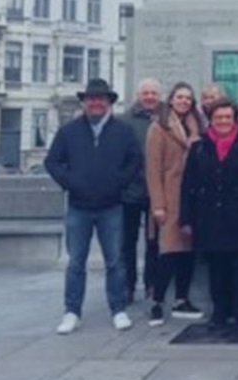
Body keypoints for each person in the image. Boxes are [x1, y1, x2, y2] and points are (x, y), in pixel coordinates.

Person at [44, 79, 142, 335]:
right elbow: (52, 162)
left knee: (115, 261)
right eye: (91, 99)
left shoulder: (122, 131)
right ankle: (72, 311)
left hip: (111, 206)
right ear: (84, 102)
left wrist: (119, 183)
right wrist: (70, 182)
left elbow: (135, 161)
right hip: (79, 206)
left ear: (109, 102)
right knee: (76, 262)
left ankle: (118, 309)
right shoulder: (69, 131)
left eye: (101, 99)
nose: (96, 103)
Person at [179, 97, 238, 327]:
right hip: (209, 217)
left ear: (235, 119)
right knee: (216, 267)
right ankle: (220, 311)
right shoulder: (199, 147)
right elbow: (188, 185)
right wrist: (186, 219)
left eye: (228, 117)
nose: (223, 121)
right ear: (211, 119)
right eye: (218, 117)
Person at [144, 82, 205, 327]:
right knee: (168, 251)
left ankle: (182, 299)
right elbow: (153, 169)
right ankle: (157, 301)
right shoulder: (159, 127)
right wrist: (157, 204)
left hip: (192, 199)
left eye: (188, 98)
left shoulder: (196, 127)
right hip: (169, 199)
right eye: (180, 97)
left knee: (187, 252)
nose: (184, 102)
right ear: (171, 100)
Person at [121, 78, 162, 304]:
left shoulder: (165, 118)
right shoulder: (125, 121)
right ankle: (128, 284)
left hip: (155, 192)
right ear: (139, 95)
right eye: (145, 93)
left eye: (154, 93)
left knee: (154, 241)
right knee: (127, 241)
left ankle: (151, 283)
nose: (149, 97)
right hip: (131, 191)